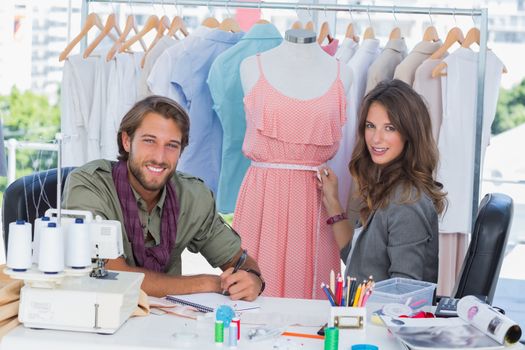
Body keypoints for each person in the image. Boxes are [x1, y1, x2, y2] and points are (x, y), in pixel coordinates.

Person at [62, 95, 264, 300]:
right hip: (97, 316)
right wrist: (208, 282)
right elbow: (113, 275)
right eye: (149, 141)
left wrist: (252, 279)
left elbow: (239, 262)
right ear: (126, 141)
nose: (159, 157)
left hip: (168, 322)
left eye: (172, 145)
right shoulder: (89, 185)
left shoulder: (193, 195)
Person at [318, 79, 446, 283]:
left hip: (380, 314)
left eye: (390, 128)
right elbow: (354, 258)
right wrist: (332, 202)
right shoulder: (388, 187)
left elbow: (404, 293)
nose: (376, 139)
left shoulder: (406, 202)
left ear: (409, 133)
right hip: (365, 311)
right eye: (371, 126)